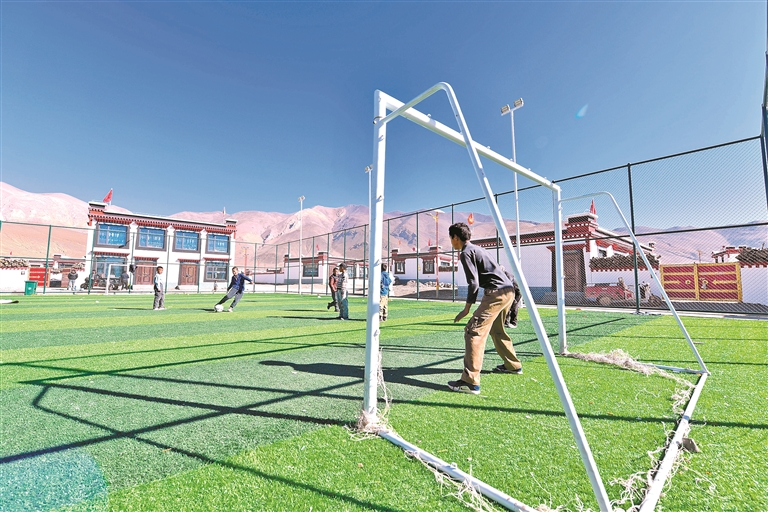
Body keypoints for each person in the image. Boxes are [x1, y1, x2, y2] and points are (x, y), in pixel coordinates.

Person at [448, 222, 523, 395]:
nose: (451, 242)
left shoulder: (466, 253)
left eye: (451, 238)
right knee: (497, 331)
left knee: (473, 331)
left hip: (496, 293)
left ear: (456, 238)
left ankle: (470, 381)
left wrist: (466, 309)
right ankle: (513, 365)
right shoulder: (479, 249)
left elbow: (473, 283)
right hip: (509, 291)